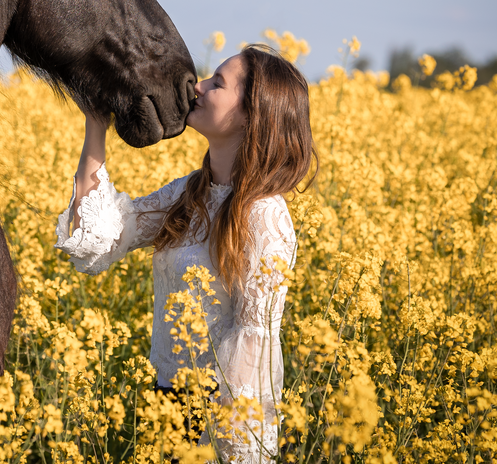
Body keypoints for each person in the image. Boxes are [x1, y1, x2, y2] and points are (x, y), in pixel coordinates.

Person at [55, 44, 316, 462]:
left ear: (252, 115)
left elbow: (253, 344)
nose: (199, 85)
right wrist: (95, 126)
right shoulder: (187, 194)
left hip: (218, 414)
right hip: (167, 405)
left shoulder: (265, 216)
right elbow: (97, 237)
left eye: (219, 83)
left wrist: (227, 443)